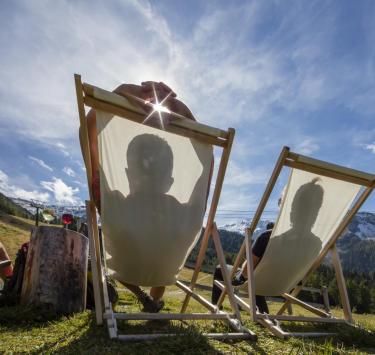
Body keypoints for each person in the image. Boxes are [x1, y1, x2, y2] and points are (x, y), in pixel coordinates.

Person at [80, 81, 212, 313]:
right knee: (163, 257)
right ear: (170, 181)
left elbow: (88, 136)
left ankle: (141, 294)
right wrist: (178, 107)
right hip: (167, 272)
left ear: (129, 174)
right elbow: (208, 160)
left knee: (113, 257)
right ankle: (154, 300)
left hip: (124, 268)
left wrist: (121, 92)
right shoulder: (185, 213)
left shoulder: (114, 204)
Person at [211, 222, 274, 314]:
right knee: (258, 279)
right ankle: (263, 312)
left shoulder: (266, 237)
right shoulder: (299, 242)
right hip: (283, 285)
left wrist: (245, 265)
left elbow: (246, 272)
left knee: (220, 268)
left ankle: (216, 308)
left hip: (255, 280)